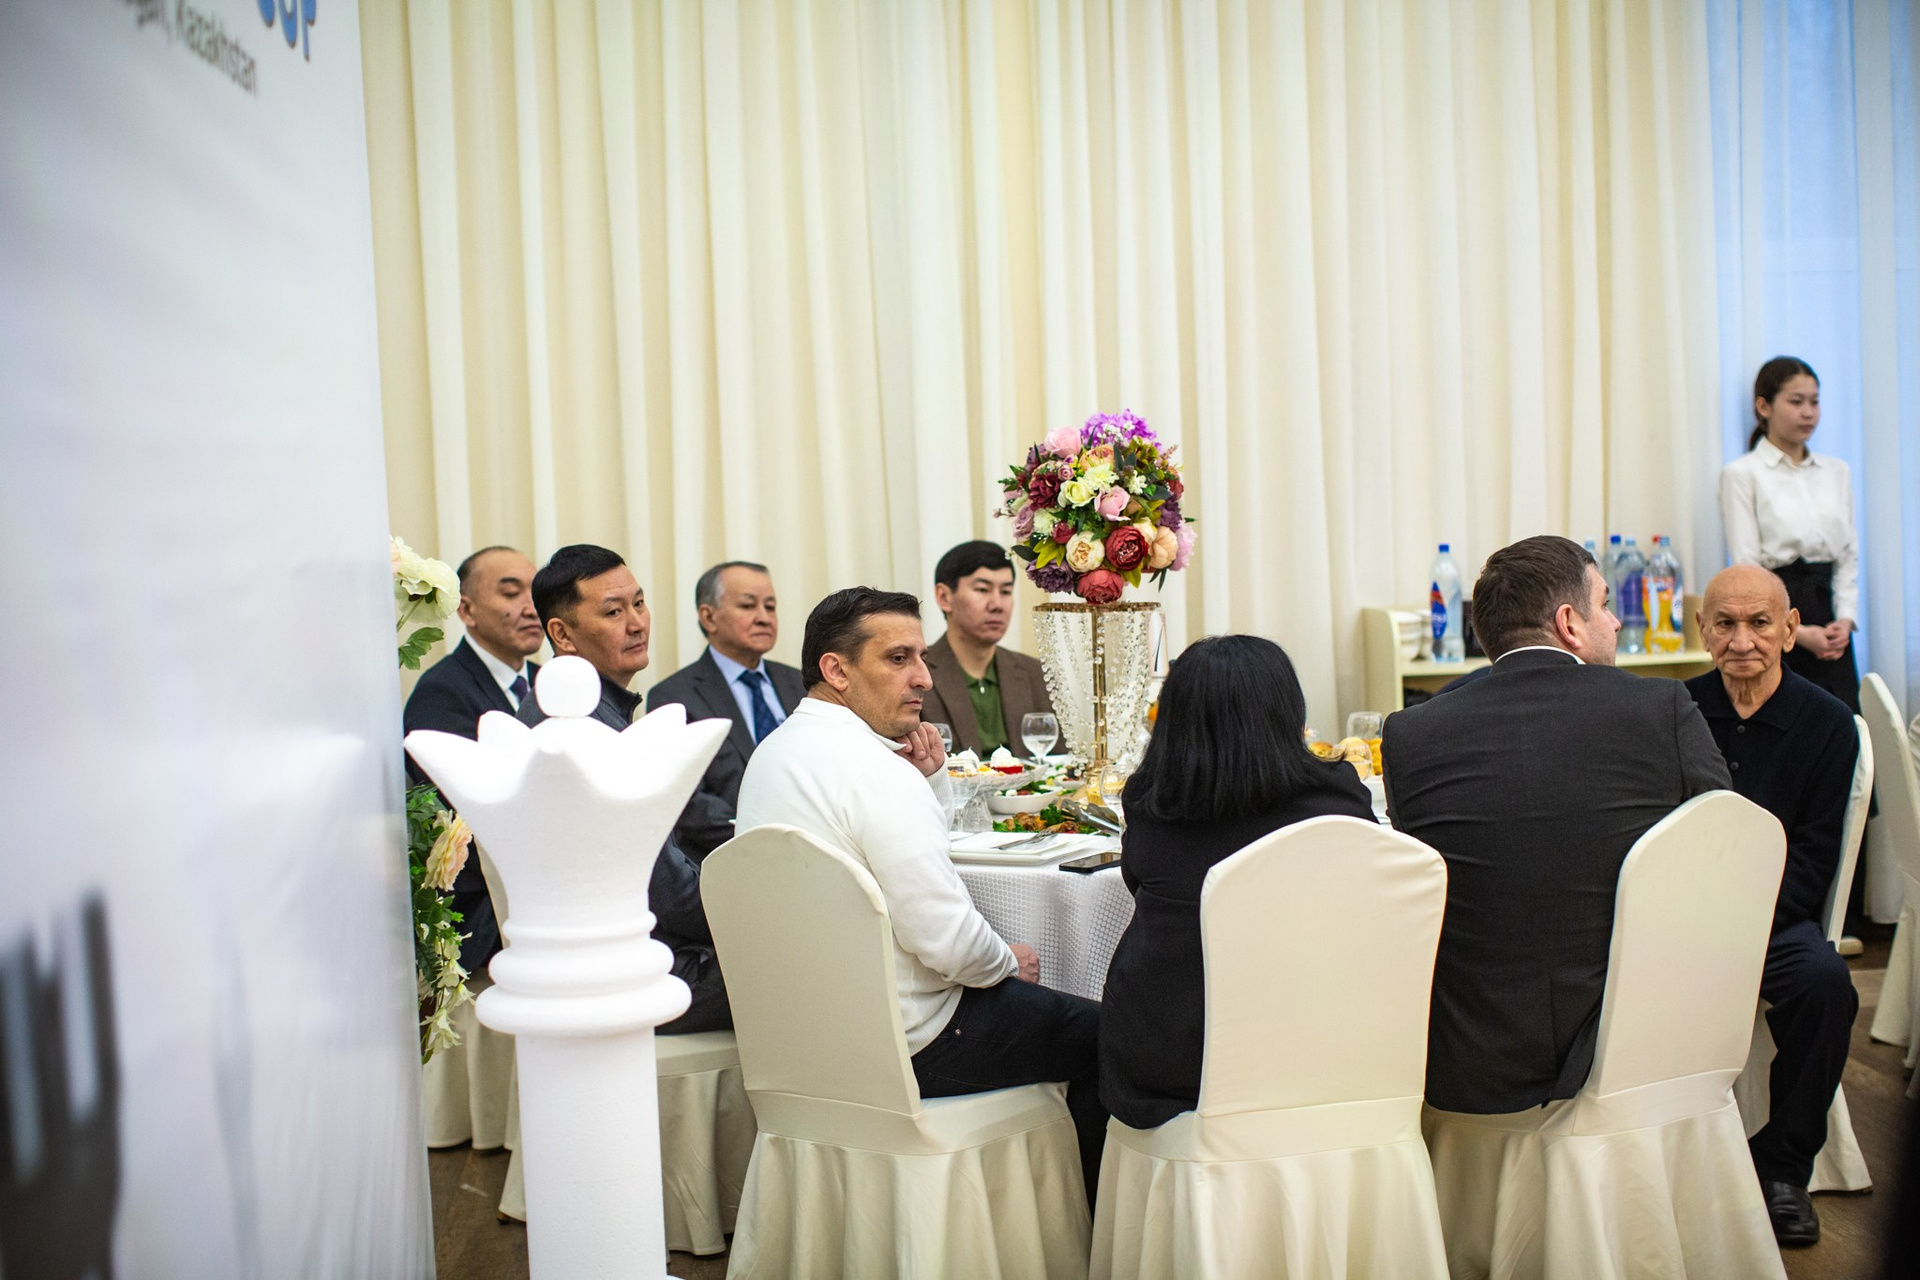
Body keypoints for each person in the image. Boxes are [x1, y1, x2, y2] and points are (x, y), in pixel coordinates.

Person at [735, 587, 1106, 1201]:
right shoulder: (873, 771)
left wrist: (930, 785)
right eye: (899, 658)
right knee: (1110, 1037)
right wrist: (1007, 961)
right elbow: (948, 943)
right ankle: (1094, 1234)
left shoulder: (775, 753)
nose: (924, 679)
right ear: (837, 671)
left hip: (801, 1041)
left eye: (922, 659)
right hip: (908, 1046)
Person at [1382, 535, 1730, 1115]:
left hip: (1471, 1059)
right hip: (1636, 1047)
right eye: (1605, 603)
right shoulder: (1661, 708)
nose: (1616, 621)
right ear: (1569, 623)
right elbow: (1726, 848)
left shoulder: (1410, 733)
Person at [1099, 635, 1375, 1129]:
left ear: (1174, 719)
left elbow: (1134, 885)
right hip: (1324, 1052)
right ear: (1288, 710)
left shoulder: (1152, 804)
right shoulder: (1338, 797)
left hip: (1177, 1064)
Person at [1686, 563, 1860, 1247]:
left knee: (1826, 985)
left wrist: (1742, 928)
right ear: (1702, 630)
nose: (1742, 640)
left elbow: (1815, 859)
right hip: (1684, 922)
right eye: (1725, 623)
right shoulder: (1676, 711)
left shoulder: (1828, 723)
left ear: (1790, 630)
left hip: (1777, 922)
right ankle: (1674, 1166)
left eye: (1760, 623)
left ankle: (1783, 1170)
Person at [515, 544, 729, 1034]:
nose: (637, 623)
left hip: (623, 955)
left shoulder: (574, 707)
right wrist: (757, 908)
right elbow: (671, 896)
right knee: (814, 952)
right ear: (562, 634)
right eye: (613, 612)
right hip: (632, 973)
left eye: (639, 603)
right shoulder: (579, 727)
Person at [403, 545, 544, 974]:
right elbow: (464, 811)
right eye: (511, 593)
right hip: (486, 913)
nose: (531, 607)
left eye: (535, 592)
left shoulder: (547, 683)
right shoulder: (443, 691)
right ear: (466, 610)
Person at [1720, 356, 1860, 713]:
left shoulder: (1836, 471)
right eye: (1796, 402)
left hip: (1830, 617)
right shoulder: (1742, 473)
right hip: (1775, 615)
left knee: (1845, 723)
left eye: (1815, 401)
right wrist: (1794, 631)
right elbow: (1748, 565)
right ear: (1763, 407)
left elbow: (1847, 555)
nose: (1808, 412)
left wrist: (1845, 619)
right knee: (1788, 722)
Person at [646, 562, 805, 859]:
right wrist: (763, 836)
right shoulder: (674, 697)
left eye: (770, 607)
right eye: (748, 605)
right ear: (708, 617)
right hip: (730, 857)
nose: (764, 618)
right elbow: (685, 798)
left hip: (815, 850)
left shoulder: (800, 683)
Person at [919, 541, 1055, 757]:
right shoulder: (916, 676)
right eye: (982, 590)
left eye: (1006, 591)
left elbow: (1057, 765)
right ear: (944, 597)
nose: (997, 604)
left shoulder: (1036, 673)